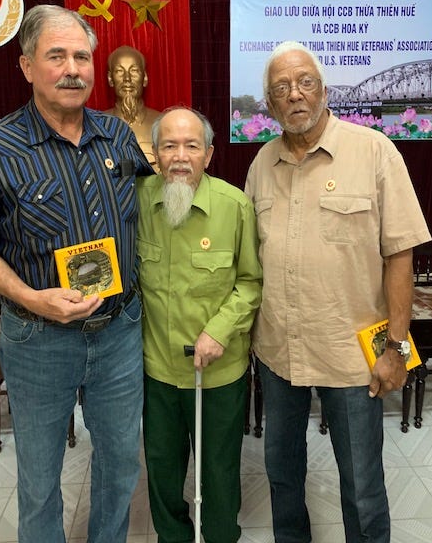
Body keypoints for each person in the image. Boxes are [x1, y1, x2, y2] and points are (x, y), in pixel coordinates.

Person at [0, 5, 153, 543]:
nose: (72, 68)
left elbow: (149, 207)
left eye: (81, 56)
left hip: (120, 331)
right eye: (57, 56)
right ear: (27, 66)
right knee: (39, 478)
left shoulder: (118, 138)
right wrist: (31, 296)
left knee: (121, 464)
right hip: (38, 338)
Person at [245, 41, 431, 543]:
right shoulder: (261, 164)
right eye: (282, 88)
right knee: (283, 474)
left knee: (362, 485)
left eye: (305, 82)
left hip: (352, 357)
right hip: (279, 351)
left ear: (324, 90)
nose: (296, 95)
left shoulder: (374, 151)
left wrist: (396, 349)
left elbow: (400, 257)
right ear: (270, 103)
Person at [137, 107, 262, 543]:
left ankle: (221, 536)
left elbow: (250, 282)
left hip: (218, 373)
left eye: (192, 146)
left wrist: (218, 331)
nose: (180, 156)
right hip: (157, 371)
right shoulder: (135, 202)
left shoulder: (234, 206)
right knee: (163, 471)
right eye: (169, 145)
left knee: (220, 471)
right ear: (154, 153)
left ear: (209, 154)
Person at [105, 45, 160, 170]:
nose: (127, 79)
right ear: (110, 79)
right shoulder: (96, 125)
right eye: (119, 71)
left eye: (134, 71)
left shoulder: (162, 123)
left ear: (145, 78)